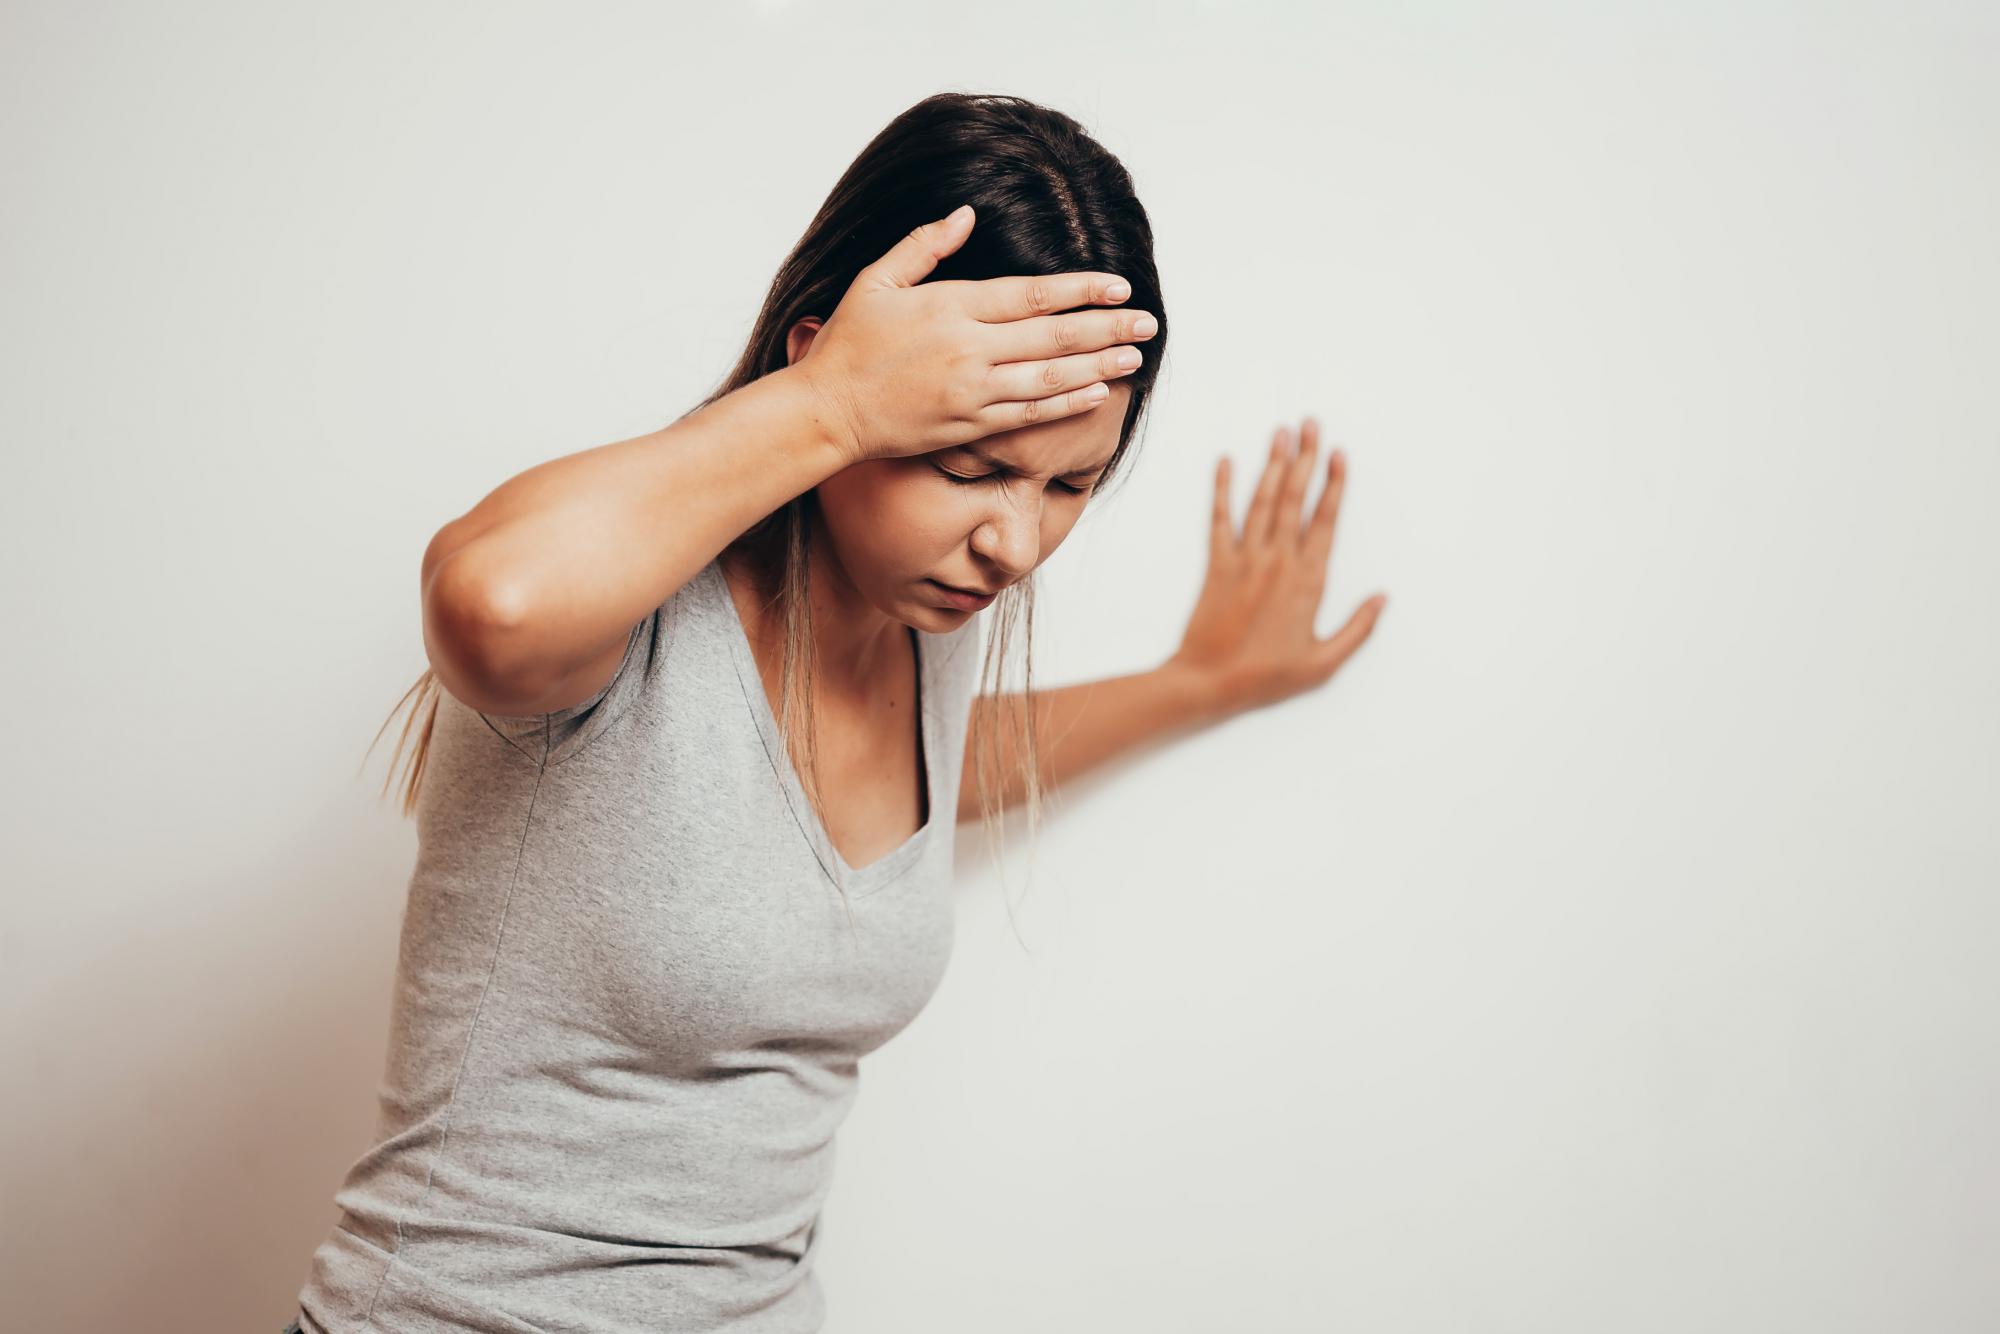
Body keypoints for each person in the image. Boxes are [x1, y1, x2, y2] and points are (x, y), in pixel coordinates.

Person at [288, 91, 1385, 1334]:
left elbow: (905, 785)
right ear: (834, 360)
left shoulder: (917, 619)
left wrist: (1203, 680)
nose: (1013, 540)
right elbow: (488, 606)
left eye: (1070, 481)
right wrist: (831, 409)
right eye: (968, 464)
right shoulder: (624, 611)